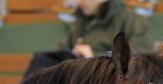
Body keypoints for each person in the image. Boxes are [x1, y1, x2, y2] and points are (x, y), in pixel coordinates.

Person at [24, 0, 153, 77]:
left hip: (105, 82)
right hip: (76, 80)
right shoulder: (81, 22)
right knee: (41, 62)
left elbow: (141, 57)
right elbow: (63, 49)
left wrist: (95, 57)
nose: (78, 2)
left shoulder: (132, 20)